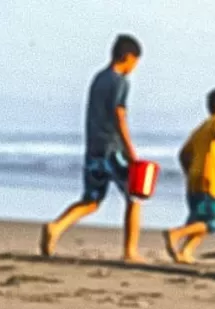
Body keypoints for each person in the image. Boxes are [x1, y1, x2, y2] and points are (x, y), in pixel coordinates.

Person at [40, 34, 144, 262]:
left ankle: (56, 227)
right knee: (134, 197)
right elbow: (119, 115)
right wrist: (130, 151)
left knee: (91, 200)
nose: (134, 68)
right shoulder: (120, 82)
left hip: (94, 148)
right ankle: (130, 251)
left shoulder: (98, 78)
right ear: (127, 58)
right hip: (113, 149)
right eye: (134, 62)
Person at [162, 88, 215, 264]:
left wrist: (189, 173)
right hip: (209, 179)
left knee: (197, 219)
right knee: (212, 222)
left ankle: (185, 252)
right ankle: (175, 234)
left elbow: (183, 153)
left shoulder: (200, 129)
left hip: (195, 179)